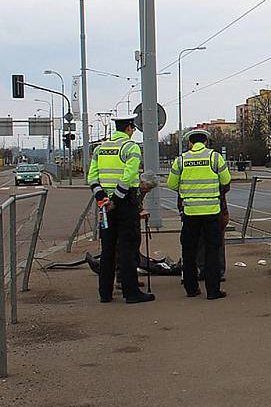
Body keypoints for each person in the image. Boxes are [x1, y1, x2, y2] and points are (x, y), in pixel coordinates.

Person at [87, 114, 155, 304]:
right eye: (133, 129)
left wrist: (102, 197)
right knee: (127, 247)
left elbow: (92, 177)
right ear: (129, 128)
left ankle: (105, 293)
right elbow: (129, 174)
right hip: (124, 203)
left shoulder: (99, 148)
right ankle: (131, 292)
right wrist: (116, 199)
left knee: (108, 248)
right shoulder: (130, 147)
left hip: (104, 204)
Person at [168, 129, 231, 300]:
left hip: (189, 213)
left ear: (190, 143)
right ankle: (213, 291)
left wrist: (187, 190)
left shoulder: (181, 160)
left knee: (189, 251)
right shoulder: (215, 157)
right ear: (205, 142)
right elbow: (226, 180)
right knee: (212, 250)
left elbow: (171, 184)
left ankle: (191, 288)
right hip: (211, 212)